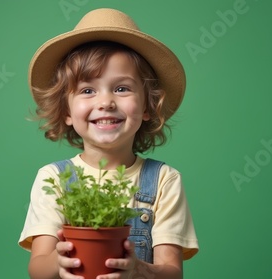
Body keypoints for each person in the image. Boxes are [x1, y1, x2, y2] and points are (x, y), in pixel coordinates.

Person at [19, 8, 199, 279]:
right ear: (66, 112)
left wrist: (138, 270)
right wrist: (57, 262)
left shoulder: (163, 180)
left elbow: (172, 272)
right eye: (87, 90)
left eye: (122, 88)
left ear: (147, 106)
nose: (106, 102)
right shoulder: (53, 178)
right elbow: (38, 268)